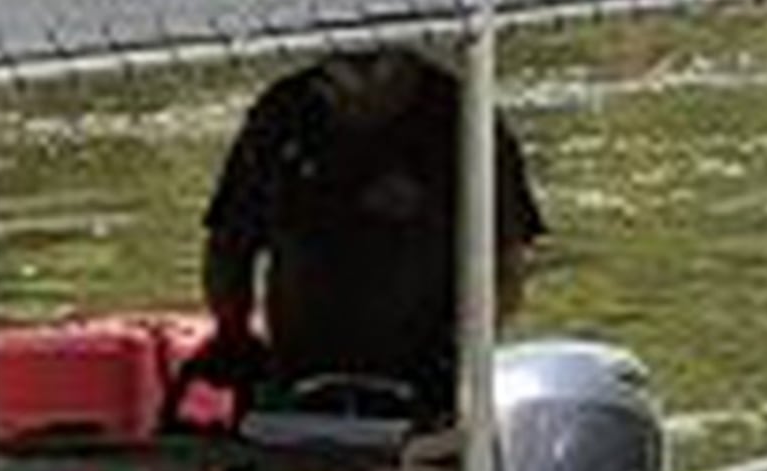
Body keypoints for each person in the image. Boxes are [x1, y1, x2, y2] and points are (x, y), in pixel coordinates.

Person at [197, 46, 543, 427]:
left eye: (370, 65)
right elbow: (228, 246)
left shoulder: (462, 118)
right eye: (341, 67)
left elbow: (505, 266)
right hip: (297, 380)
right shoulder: (283, 113)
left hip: (430, 381)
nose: (354, 81)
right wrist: (234, 338)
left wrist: (464, 358)